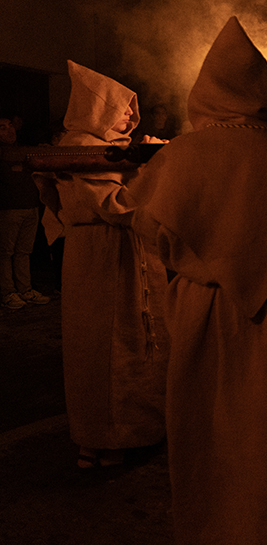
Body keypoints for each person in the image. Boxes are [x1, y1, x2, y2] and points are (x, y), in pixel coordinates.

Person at [130, 16, 267, 545]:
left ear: (202, 94)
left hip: (201, 317)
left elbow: (148, 230)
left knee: (208, 431)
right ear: (266, 93)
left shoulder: (176, 158)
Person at [34, 62, 168, 468]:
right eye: (122, 107)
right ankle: (110, 438)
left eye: (131, 107)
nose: (130, 114)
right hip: (106, 253)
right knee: (109, 346)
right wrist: (155, 166)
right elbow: (117, 206)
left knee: (116, 342)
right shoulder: (81, 146)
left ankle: (113, 437)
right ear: (98, 108)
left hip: (108, 251)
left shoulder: (103, 146)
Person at [1, 113, 49, 309]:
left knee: (23, 251)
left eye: (10, 125)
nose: (9, 129)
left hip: (30, 206)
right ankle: (7, 292)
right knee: (5, 252)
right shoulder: (3, 154)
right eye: (2, 127)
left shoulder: (23, 151)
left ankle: (24, 289)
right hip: (8, 209)